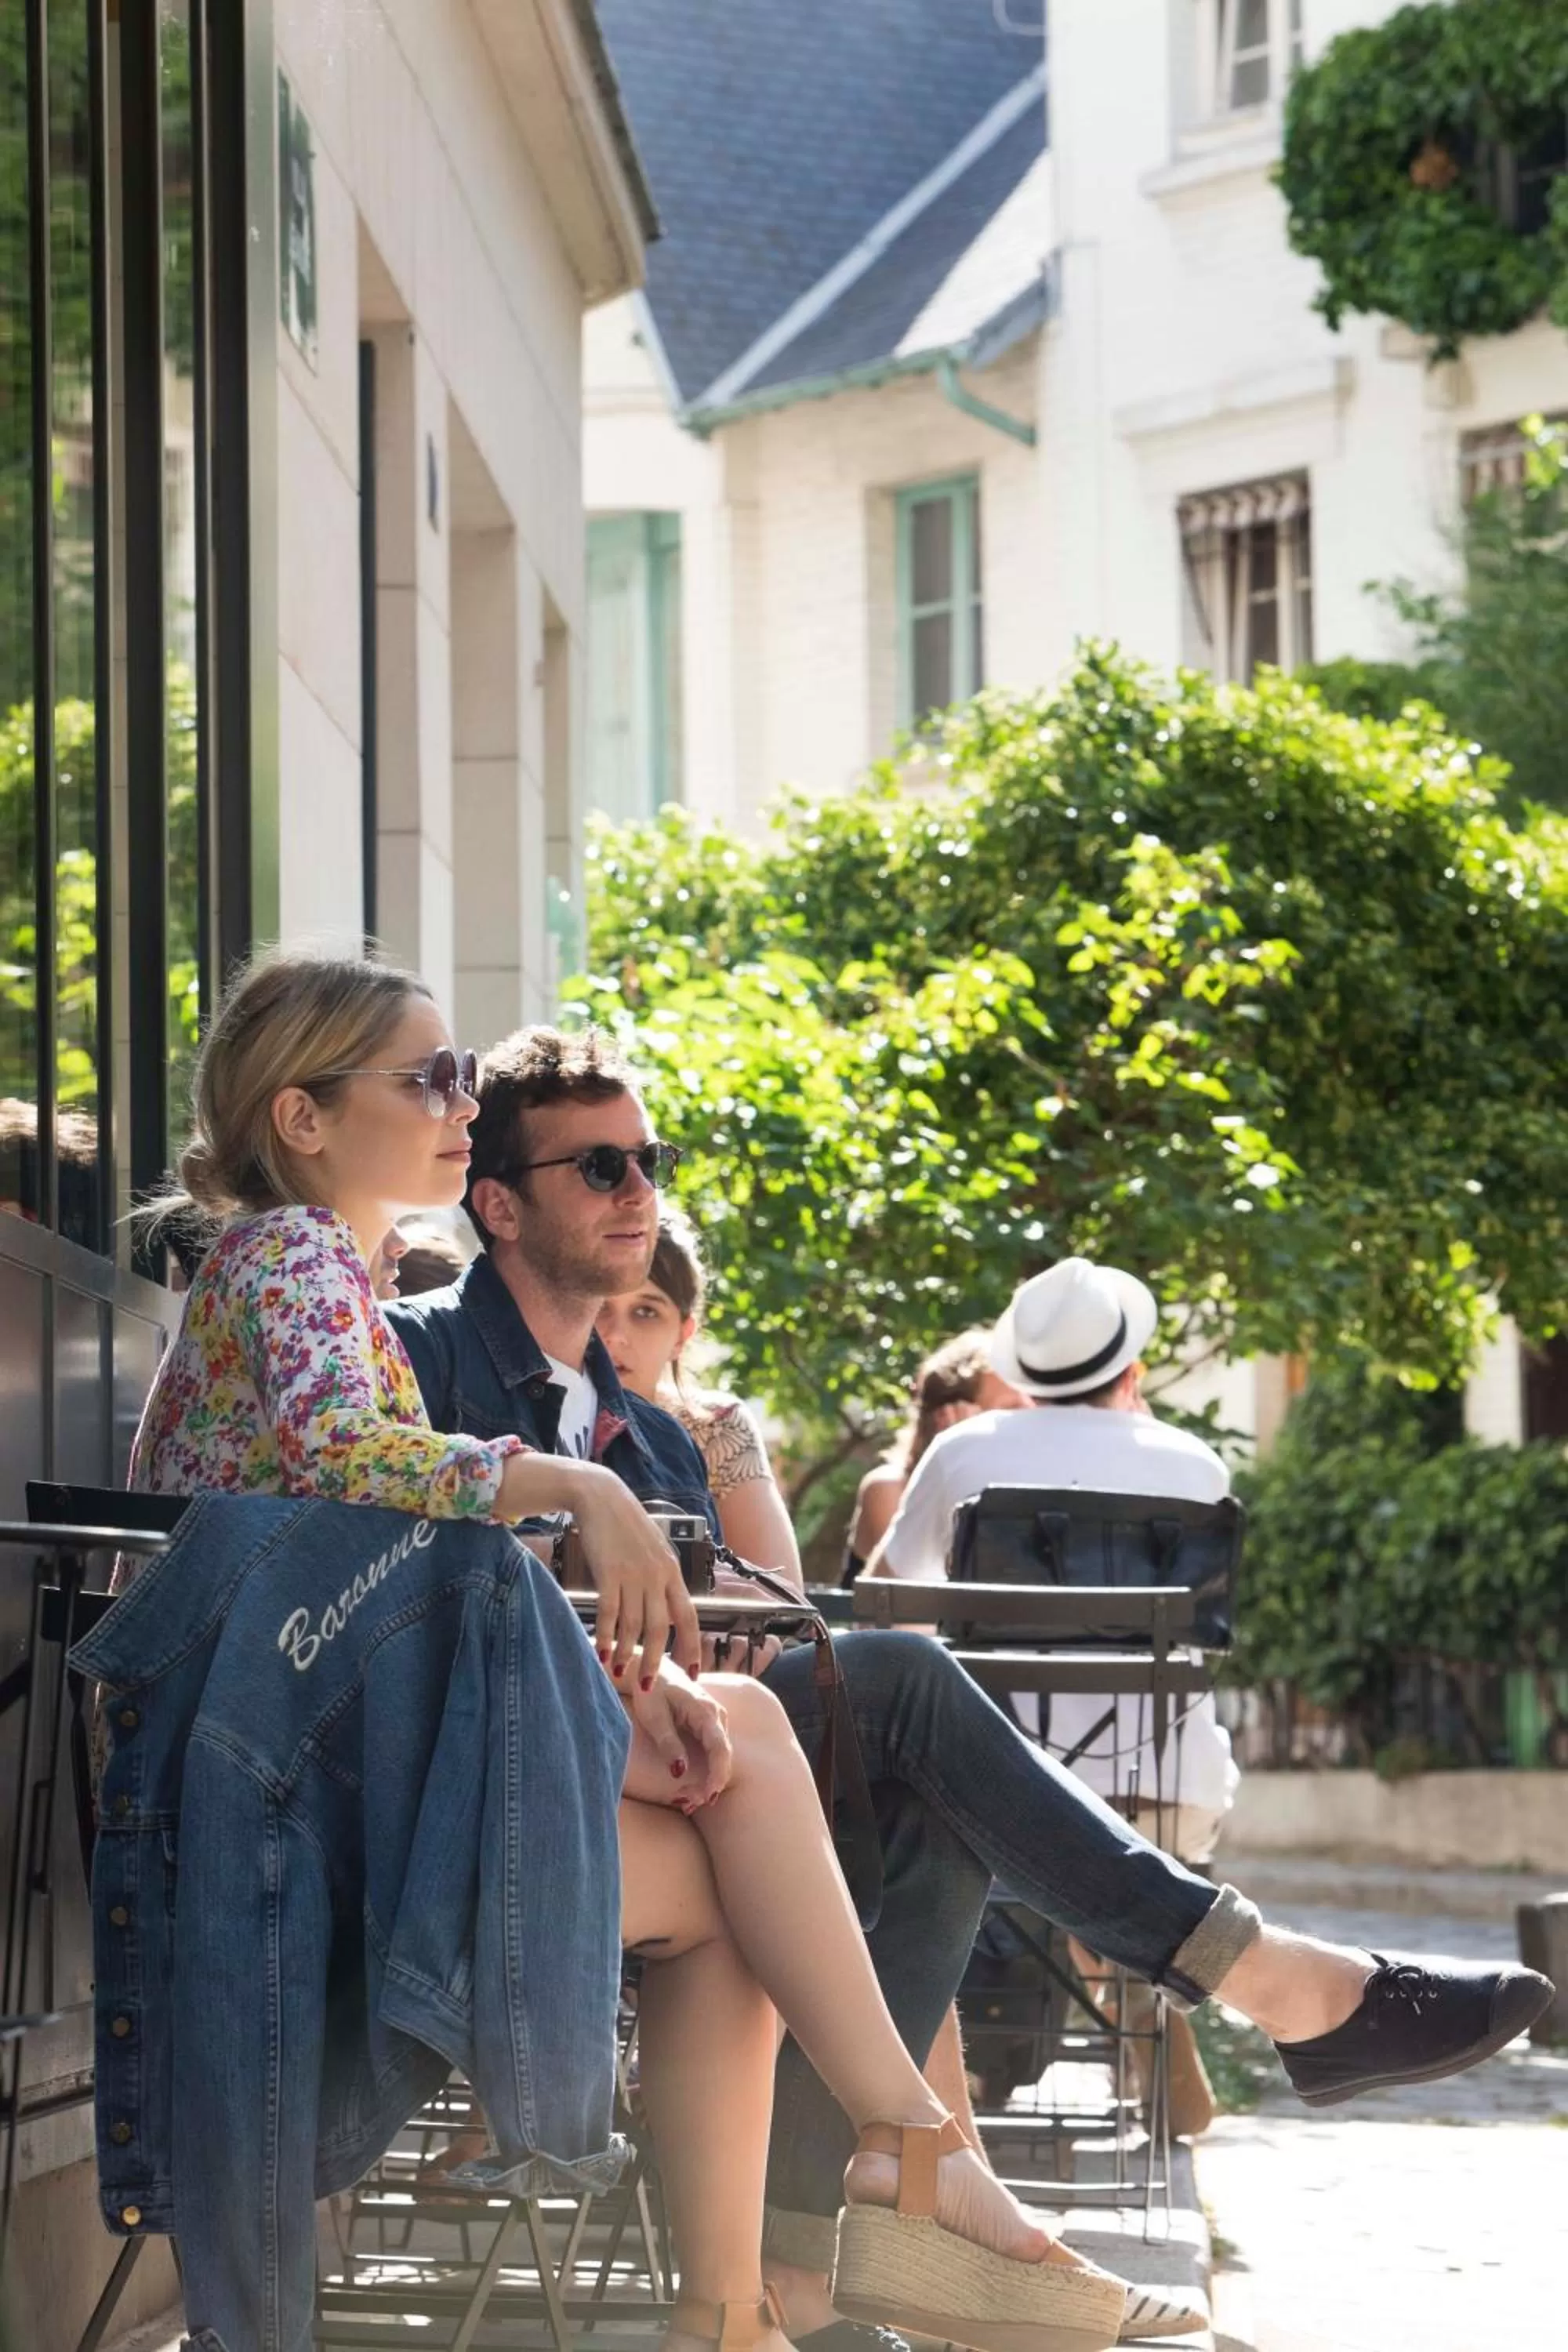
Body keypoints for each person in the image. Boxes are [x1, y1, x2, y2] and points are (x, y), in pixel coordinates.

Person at [387, 1022, 1553, 2349]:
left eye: (650, 1158)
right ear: (498, 1201)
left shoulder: (650, 1432)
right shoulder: (416, 1359)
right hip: (491, 1801)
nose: (639, 1190)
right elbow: (416, 1602)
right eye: (599, 1167)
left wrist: (726, 1648)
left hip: (674, 1797)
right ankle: (1266, 1990)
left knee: (915, 1776)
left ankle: (805, 2278)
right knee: (902, 1688)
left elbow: (756, 1627)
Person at [133, 951, 1134, 2352]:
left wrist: (637, 1641)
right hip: (286, 1806)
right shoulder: (288, 1253)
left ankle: (749, 2302)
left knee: (739, 1824)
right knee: (767, 1739)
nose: (459, 1105)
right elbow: (344, 1459)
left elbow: (381, 1535)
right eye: (429, 1080)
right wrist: (582, 1489)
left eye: (463, 1076)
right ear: (303, 1117)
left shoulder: (334, 1272)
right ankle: (902, 2167)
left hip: (335, 1775)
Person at [596, 1205, 802, 1585]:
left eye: (645, 1311)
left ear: (682, 1334)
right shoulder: (534, 1411)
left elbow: (781, 1598)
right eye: (600, 1306)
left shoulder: (717, 1427)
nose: (615, 1335)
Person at [844, 1331, 1025, 1585]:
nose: (1029, 1418)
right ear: (948, 1418)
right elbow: (916, 1597)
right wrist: (965, 1453)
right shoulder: (887, 1489)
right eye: (1010, 1410)